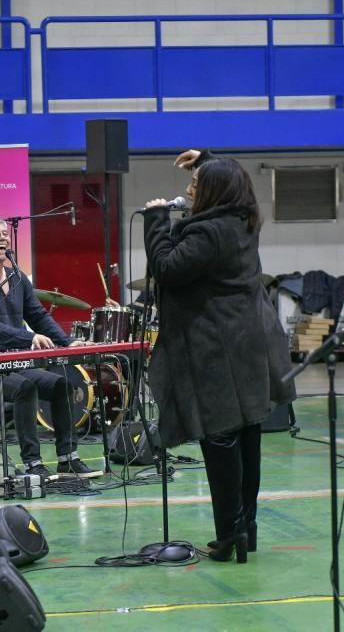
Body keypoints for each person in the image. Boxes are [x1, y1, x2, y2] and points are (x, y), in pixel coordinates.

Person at [143, 149, 295, 563]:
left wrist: (156, 220)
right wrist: (206, 159)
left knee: (220, 437)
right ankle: (245, 527)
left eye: (195, 185)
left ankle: (229, 535)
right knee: (246, 434)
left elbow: (167, 268)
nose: (188, 190)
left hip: (219, 348)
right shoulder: (243, 219)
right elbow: (232, 178)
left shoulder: (208, 233)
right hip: (248, 343)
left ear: (212, 194)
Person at [0, 217, 100, 479]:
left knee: (62, 386)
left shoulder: (17, 276)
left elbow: (38, 315)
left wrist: (66, 342)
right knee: (25, 388)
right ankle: (33, 464)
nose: (3, 238)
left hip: (15, 364)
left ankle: (68, 459)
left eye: (5, 233)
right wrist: (28, 338)